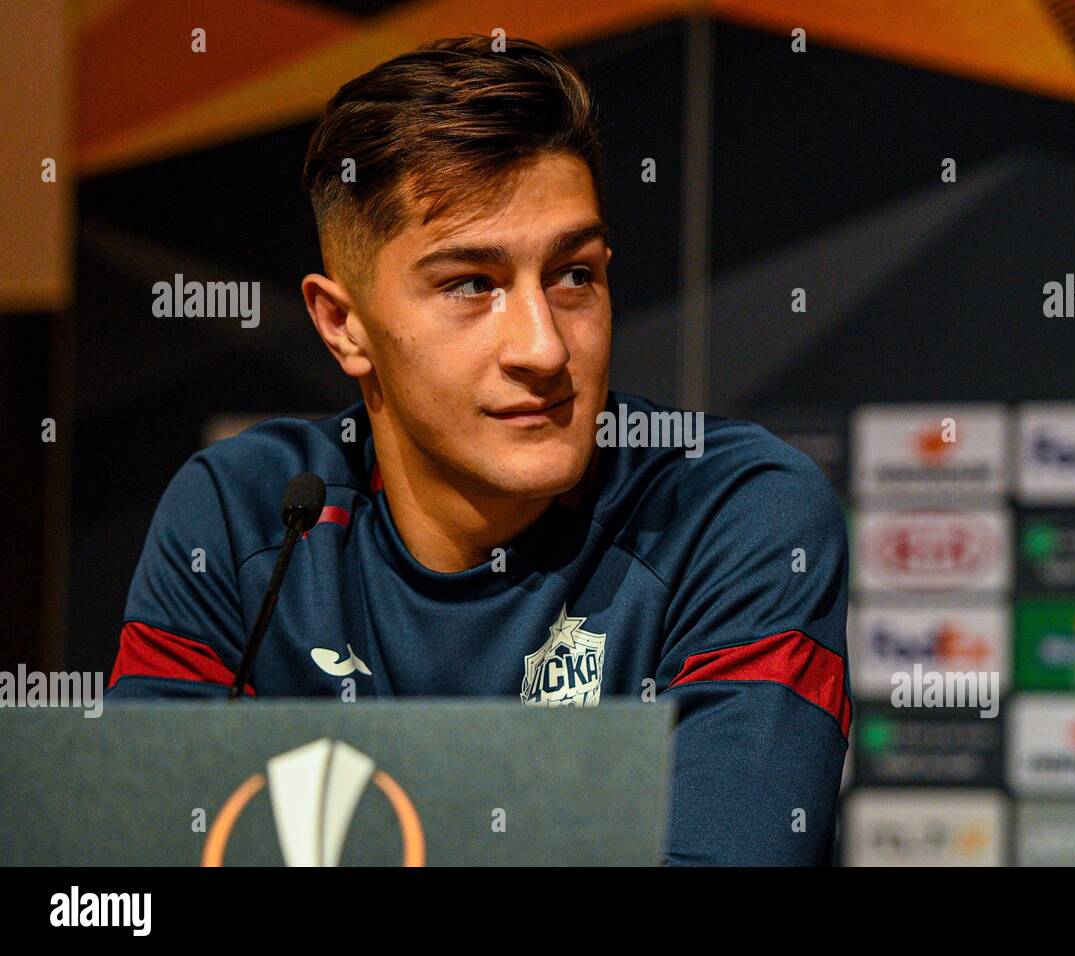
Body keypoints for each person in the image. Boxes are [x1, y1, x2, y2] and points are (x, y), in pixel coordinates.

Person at [107, 34, 850, 865]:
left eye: (574, 274)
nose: (543, 347)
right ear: (342, 324)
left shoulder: (732, 512)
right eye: (471, 284)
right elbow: (131, 875)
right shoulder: (244, 515)